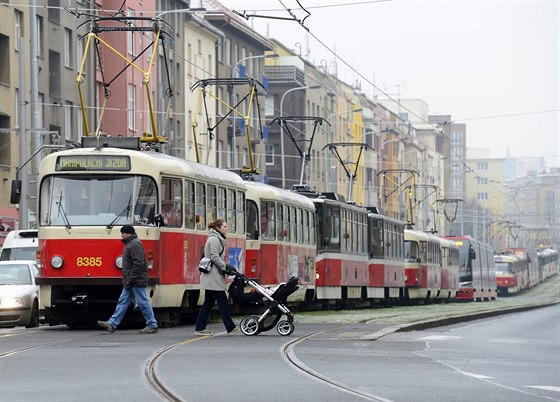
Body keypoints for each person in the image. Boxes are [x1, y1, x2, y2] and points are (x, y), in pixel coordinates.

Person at [98, 225, 158, 334]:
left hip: (135, 280)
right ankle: (112, 323)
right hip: (131, 280)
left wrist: (130, 278)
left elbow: (139, 264)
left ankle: (152, 324)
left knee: (143, 302)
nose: (121, 235)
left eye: (123, 233)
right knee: (123, 301)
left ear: (129, 233)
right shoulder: (132, 244)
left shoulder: (134, 245)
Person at [194, 219, 239, 336]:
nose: (226, 228)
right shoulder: (214, 239)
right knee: (222, 301)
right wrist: (225, 266)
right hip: (213, 275)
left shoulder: (217, 238)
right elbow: (214, 256)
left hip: (213, 275)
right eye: (224, 226)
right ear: (218, 228)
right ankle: (230, 327)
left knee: (208, 302)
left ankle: (200, 327)